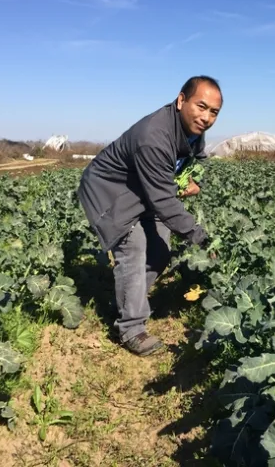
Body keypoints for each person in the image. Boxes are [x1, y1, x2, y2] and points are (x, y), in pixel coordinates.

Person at [77, 75, 223, 356]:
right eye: (200, 106)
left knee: (160, 251)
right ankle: (131, 328)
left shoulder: (193, 129)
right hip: (113, 192)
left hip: (146, 189)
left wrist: (194, 180)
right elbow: (164, 202)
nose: (206, 117)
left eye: (213, 112)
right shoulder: (154, 136)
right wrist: (202, 239)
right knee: (135, 249)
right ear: (182, 101)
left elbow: (196, 158)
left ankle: (126, 300)